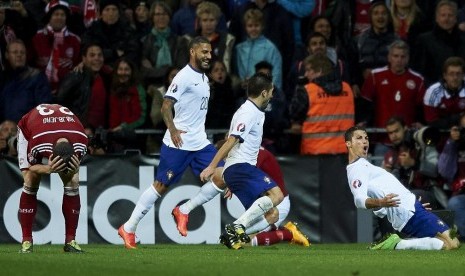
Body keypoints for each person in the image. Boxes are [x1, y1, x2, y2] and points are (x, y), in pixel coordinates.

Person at [118, 36, 226, 248]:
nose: (208, 56)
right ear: (193, 52)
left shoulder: (204, 78)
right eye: (204, 52)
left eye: (210, 52)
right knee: (160, 186)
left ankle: (183, 210)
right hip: (179, 143)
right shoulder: (183, 76)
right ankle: (128, 227)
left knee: (224, 177)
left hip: (200, 143)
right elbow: (166, 106)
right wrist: (173, 130)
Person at [199, 72, 284, 250]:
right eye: (271, 92)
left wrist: (233, 180)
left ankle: (232, 234)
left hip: (239, 170)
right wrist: (212, 167)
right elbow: (231, 140)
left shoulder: (255, 111)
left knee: (272, 215)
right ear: (263, 93)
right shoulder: (248, 112)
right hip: (240, 167)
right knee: (277, 195)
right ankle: (237, 227)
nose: (272, 95)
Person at [344, 125, 460, 250]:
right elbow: (359, 200)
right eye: (359, 138)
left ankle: (398, 243)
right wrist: (381, 202)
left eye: (366, 138)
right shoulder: (356, 169)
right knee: (453, 243)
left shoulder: (364, 165)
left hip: (411, 207)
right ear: (349, 144)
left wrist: (408, 200)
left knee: (448, 243)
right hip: (409, 211)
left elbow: (382, 193)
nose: (364, 141)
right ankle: (398, 244)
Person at [16, 103, 88, 253]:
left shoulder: (81, 141)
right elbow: (32, 168)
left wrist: (73, 169)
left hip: (58, 126)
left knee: (73, 179)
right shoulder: (38, 143)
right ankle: (26, 240)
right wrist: (48, 168)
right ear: (50, 155)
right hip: (29, 128)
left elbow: (74, 168)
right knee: (30, 179)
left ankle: (70, 240)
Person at [289, 53, 354, 155]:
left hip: (315, 153)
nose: (305, 74)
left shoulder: (307, 90)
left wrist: (299, 87)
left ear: (319, 71)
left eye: (309, 70)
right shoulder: (347, 88)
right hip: (344, 152)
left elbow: (294, 114)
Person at [56, 43, 112, 134]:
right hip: (79, 131)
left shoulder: (106, 77)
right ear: (84, 58)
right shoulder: (75, 76)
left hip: (100, 131)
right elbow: (60, 103)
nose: (96, 58)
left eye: (99, 55)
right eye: (92, 55)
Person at [30, 0, 81, 95]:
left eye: (62, 15)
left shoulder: (75, 40)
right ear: (49, 17)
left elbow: (78, 65)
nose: (60, 17)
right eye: (56, 14)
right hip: (39, 91)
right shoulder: (36, 38)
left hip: (67, 93)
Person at [411, 0, 465, 87]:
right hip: (434, 89)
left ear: (456, 18)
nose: (446, 19)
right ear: (437, 18)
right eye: (443, 15)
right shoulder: (424, 40)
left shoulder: (463, 39)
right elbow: (419, 71)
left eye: (450, 15)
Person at [0, 39, 52, 123]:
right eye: (15, 52)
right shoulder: (2, 78)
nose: (19, 55)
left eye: (22, 52)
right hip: (4, 130)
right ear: (6, 55)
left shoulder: (37, 76)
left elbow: (44, 108)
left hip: (28, 129)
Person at [234, 8, 282, 90]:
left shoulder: (270, 48)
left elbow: (276, 75)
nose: (253, 29)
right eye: (250, 26)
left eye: (256, 25)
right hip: (244, 94)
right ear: (245, 27)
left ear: (262, 26)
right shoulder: (239, 48)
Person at [438, 112, 465, 241]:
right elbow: (444, 172)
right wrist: (451, 144)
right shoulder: (455, 146)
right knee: (455, 203)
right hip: (461, 193)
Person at [423, 56, 465, 130]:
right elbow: (432, 122)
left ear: (463, 75)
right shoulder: (433, 92)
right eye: (451, 74)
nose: (455, 77)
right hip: (440, 134)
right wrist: (459, 118)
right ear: (445, 76)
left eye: (458, 74)